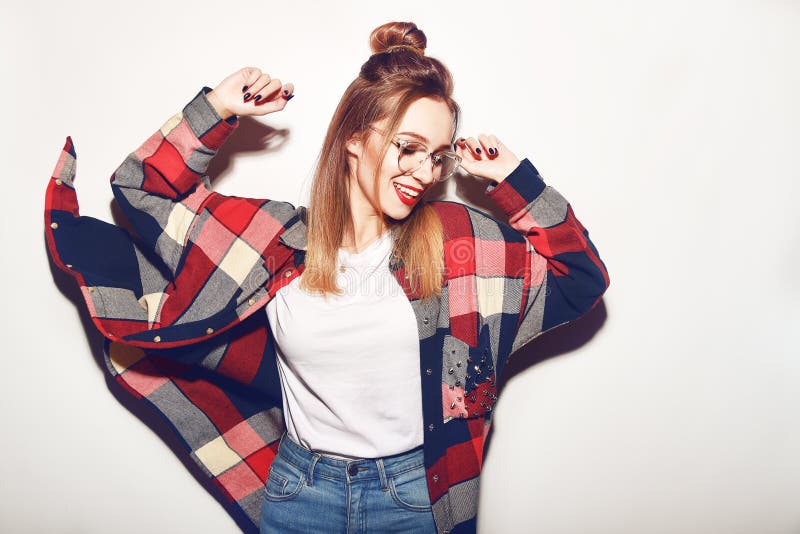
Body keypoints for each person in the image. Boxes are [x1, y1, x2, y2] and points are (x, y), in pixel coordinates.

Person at [44, 21, 609, 534]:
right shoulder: (273, 240)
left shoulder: (456, 244)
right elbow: (139, 186)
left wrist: (515, 180)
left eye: (438, 156)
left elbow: (580, 278)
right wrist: (217, 108)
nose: (424, 172)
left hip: (418, 498)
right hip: (299, 493)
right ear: (355, 139)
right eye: (408, 148)